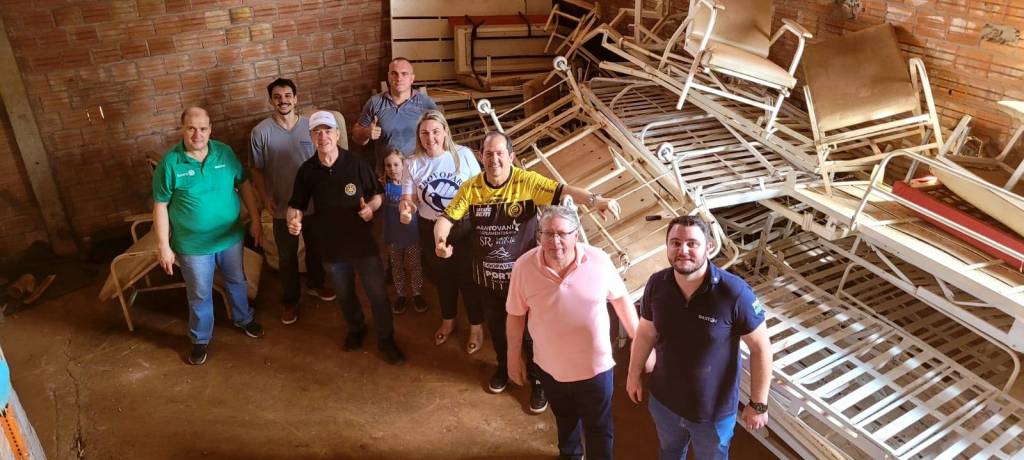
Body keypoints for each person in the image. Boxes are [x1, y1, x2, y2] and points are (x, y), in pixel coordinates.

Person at [435, 131, 621, 413]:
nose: (494, 160)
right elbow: (446, 219)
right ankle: (502, 368)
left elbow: (564, 191)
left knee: (534, 334)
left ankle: (538, 381)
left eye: (500, 154)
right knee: (498, 328)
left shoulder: (527, 182)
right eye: (488, 154)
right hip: (489, 279)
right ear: (481, 157)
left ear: (511, 157)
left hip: (527, 281)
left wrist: (597, 200)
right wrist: (440, 242)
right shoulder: (471, 188)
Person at [626, 216, 772, 460]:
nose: (683, 250)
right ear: (667, 246)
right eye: (675, 243)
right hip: (665, 403)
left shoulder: (734, 293)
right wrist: (633, 374)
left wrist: (758, 404)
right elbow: (645, 333)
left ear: (709, 247)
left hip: (712, 414)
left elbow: (761, 349)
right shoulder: (657, 284)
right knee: (670, 452)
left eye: (692, 243)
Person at [506, 204, 640, 460]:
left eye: (562, 234)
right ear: (539, 236)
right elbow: (515, 315)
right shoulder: (524, 267)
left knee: (599, 427)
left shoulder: (598, 260)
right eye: (548, 233)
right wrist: (513, 357)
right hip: (550, 368)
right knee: (565, 419)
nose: (555, 241)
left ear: (576, 235)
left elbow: (621, 300)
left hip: (595, 369)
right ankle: (570, 455)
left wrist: (640, 343)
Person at [286, 111, 405, 365]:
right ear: (311, 137)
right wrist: (293, 220)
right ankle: (356, 328)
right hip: (331, 244)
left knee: (377, 294)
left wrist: (370, 208)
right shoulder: (307, 171)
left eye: (328, 131)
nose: (323, 136)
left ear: (338, 134)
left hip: (363, 243)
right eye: (317, 132)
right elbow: (296, 204)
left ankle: (386, 339)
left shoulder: (356, 163)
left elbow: (377, 194)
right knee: (344, 293)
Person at [153, 107, 265, 365]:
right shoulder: (170, 163)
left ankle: (244, 318)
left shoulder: (224, 152)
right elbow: (160, 205)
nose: (197, 134)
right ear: (182, 129)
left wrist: (256, 219)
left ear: (210, 130)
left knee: (237, 280)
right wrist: (163, 246)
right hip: (193, 245)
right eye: (191, 128)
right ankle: (200, 338)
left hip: (229, 238)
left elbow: (243, 183)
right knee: (200, 293)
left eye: (203, 129)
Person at [249, 78, 338, 325]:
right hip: (282, 205)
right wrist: (264, 197)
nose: (283, 101)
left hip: (314, 203)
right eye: (277, 97)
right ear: (271, 101)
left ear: (296, 99)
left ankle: (316, 284)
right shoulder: (260, 132)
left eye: (288, 96)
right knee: (287, 256)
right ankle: (290, 301)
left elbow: (327, 158)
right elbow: (256, 169)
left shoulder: (312, 127)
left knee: (315, 248)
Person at [399, 111, 484, 353]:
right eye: (424, 133)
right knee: (443, 277)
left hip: (463, 227)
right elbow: (408, 199)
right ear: (418, 136)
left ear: (445, 131)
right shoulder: (412, 163)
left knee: (468, 277)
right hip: (430, 228)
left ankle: (476, 326)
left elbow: (479, 192)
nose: (430, 138)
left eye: (436, 131)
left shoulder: (463, 155)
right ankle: (448, 320)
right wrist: (406, 209)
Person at [352, 57, 438, 166]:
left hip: (419, 169)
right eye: (394, 73)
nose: (399, 78)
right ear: (388, 77)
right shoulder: (375, 103)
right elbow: (356, 137)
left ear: (412, 78)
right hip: (388, 170)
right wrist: (366, 132)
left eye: (404, 74)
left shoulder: (426, 103)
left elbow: (441, 136)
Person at [381, 149, 424, 314]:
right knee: (396, 265)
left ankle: (417, 293)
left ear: (404, 165)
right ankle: (401, 294)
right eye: (388, 165)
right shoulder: (384, 188)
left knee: (415, 265)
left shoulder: (413, 187)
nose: (392, 169)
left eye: (396, 164)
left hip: (411, 234)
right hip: (394, 235)